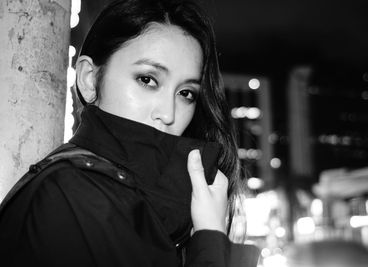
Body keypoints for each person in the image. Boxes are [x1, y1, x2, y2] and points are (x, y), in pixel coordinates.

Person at [0, 0, 260, 266]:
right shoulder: (72, 195)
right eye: (147, 80)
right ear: (89, 79)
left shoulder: (143, 201)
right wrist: (209, 239)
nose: (168, 114)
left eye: (186, 93)